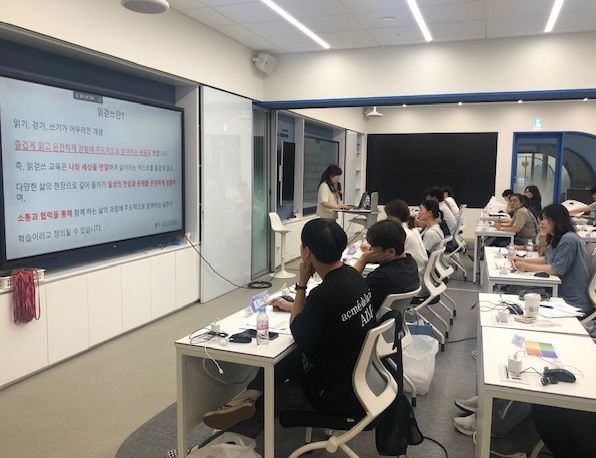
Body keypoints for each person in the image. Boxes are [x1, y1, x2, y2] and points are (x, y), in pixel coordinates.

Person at [203, 219, 375, 436]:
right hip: (358, 376)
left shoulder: (322, 295)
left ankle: (229, 440)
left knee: (269, 398)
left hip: (334, 391)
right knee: (285, 360)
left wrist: (302, 284)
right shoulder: (352, 276)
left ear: (306, 252)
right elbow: (328, 312)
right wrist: (292, 305)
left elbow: (297, 329)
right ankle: (250, 395)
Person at [513, 204, 592, 316]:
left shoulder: (569, 239)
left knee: (520, 295)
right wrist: (521, 260)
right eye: (542, 219)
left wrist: (525, 267)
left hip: (571, 302)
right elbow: (547, 259)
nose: (542, 223)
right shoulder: (559, 237)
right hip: (559, 293)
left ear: (557, 220)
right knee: (519, 292)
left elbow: (556, 269)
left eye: (546, 219)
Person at [352, 220, 420, 313]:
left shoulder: (381, 277)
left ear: (391, 251)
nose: (370, 250)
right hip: (393, 315)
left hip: (370, 316)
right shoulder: (411, 262)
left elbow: (349, 290)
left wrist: (362, 260)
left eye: (373, 247)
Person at [384, 198, 428, 278]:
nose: (386, 219)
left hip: (412, 275)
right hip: (418, 272)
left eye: (388, 216)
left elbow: (389, 256)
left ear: (395, 217)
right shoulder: (413, 231)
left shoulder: (401, 233)